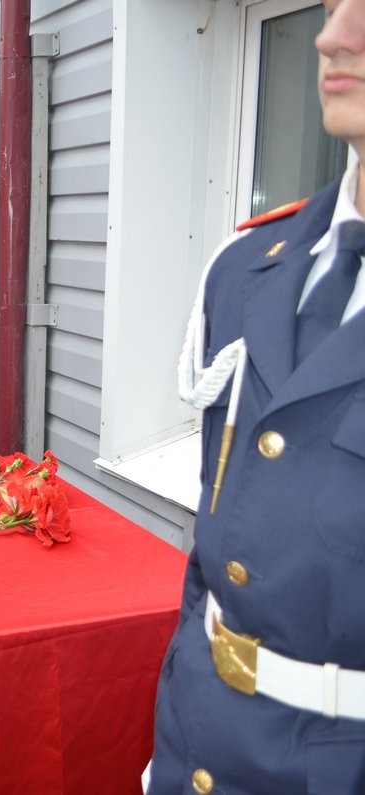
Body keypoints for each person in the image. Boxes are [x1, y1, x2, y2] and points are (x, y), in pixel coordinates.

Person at [150, 2, 365, 792]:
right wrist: (172, 736)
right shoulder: (244, 270)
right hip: (199, 743)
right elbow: (217, 543)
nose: (331, 35)